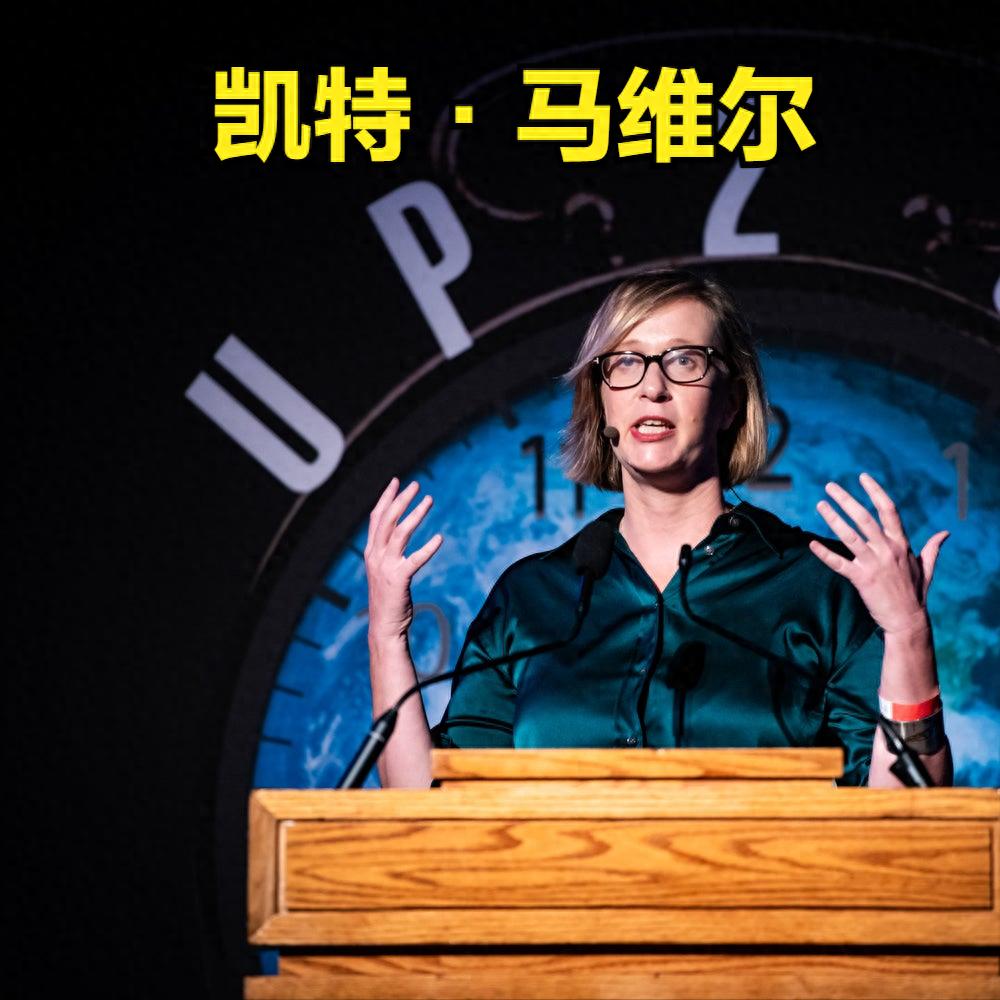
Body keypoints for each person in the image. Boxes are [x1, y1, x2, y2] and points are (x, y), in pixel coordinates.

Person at [364, 269, 952, 789]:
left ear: (730, 401)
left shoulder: (822, 585)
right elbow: (434, 806)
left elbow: (903, 813)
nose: (652, 386)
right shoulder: (530, 597)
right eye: (626, 362)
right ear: (602, 400)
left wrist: (907, 636)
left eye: (684, 361)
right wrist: (387, 637)